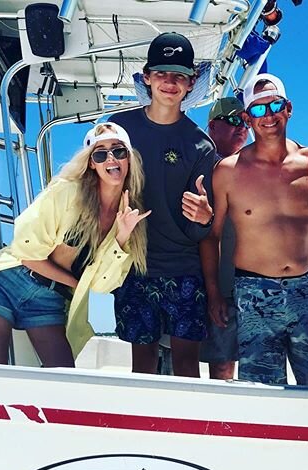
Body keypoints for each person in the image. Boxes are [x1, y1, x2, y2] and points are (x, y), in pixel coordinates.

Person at [0, 123, 149, 366]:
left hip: (49, 300)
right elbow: (26, 253)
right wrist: (77, 284)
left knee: (64, 379)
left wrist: (121, 237)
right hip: (7, 282)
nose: (111, 158)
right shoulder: (67, 192)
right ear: (91, 163)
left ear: (129, 157)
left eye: (118, 151)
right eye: (100, 154)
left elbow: (100, 286)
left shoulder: (129, 216)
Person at [205, 73, 308, 386]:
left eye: (275, 105)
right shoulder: (227, 172)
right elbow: (211, 238)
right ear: (248, 118)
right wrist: (214, 295)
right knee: (262, 392)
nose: (269, 116)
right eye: (259, 109)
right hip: (253, 293)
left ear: (288, 108)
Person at [110, 32, 216, 378]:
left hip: (184, 269)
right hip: (132, 268)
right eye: (161, 73)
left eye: (179, 75)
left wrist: (204, 217)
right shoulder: (119, 130)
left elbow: (196, 229)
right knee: (142, 365)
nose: (169, 82)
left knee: (187, 365)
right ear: (146, 77)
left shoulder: (201, 146)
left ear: (191, 82)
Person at [199, 97, 248, 380]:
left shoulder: (252, 166)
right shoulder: (200, 168)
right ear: (212, 127)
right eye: (232, 121)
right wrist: (214, 290)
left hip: (249, 283)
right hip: (218, 285)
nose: (241, 127)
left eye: (244, 121)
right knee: (221, 363)